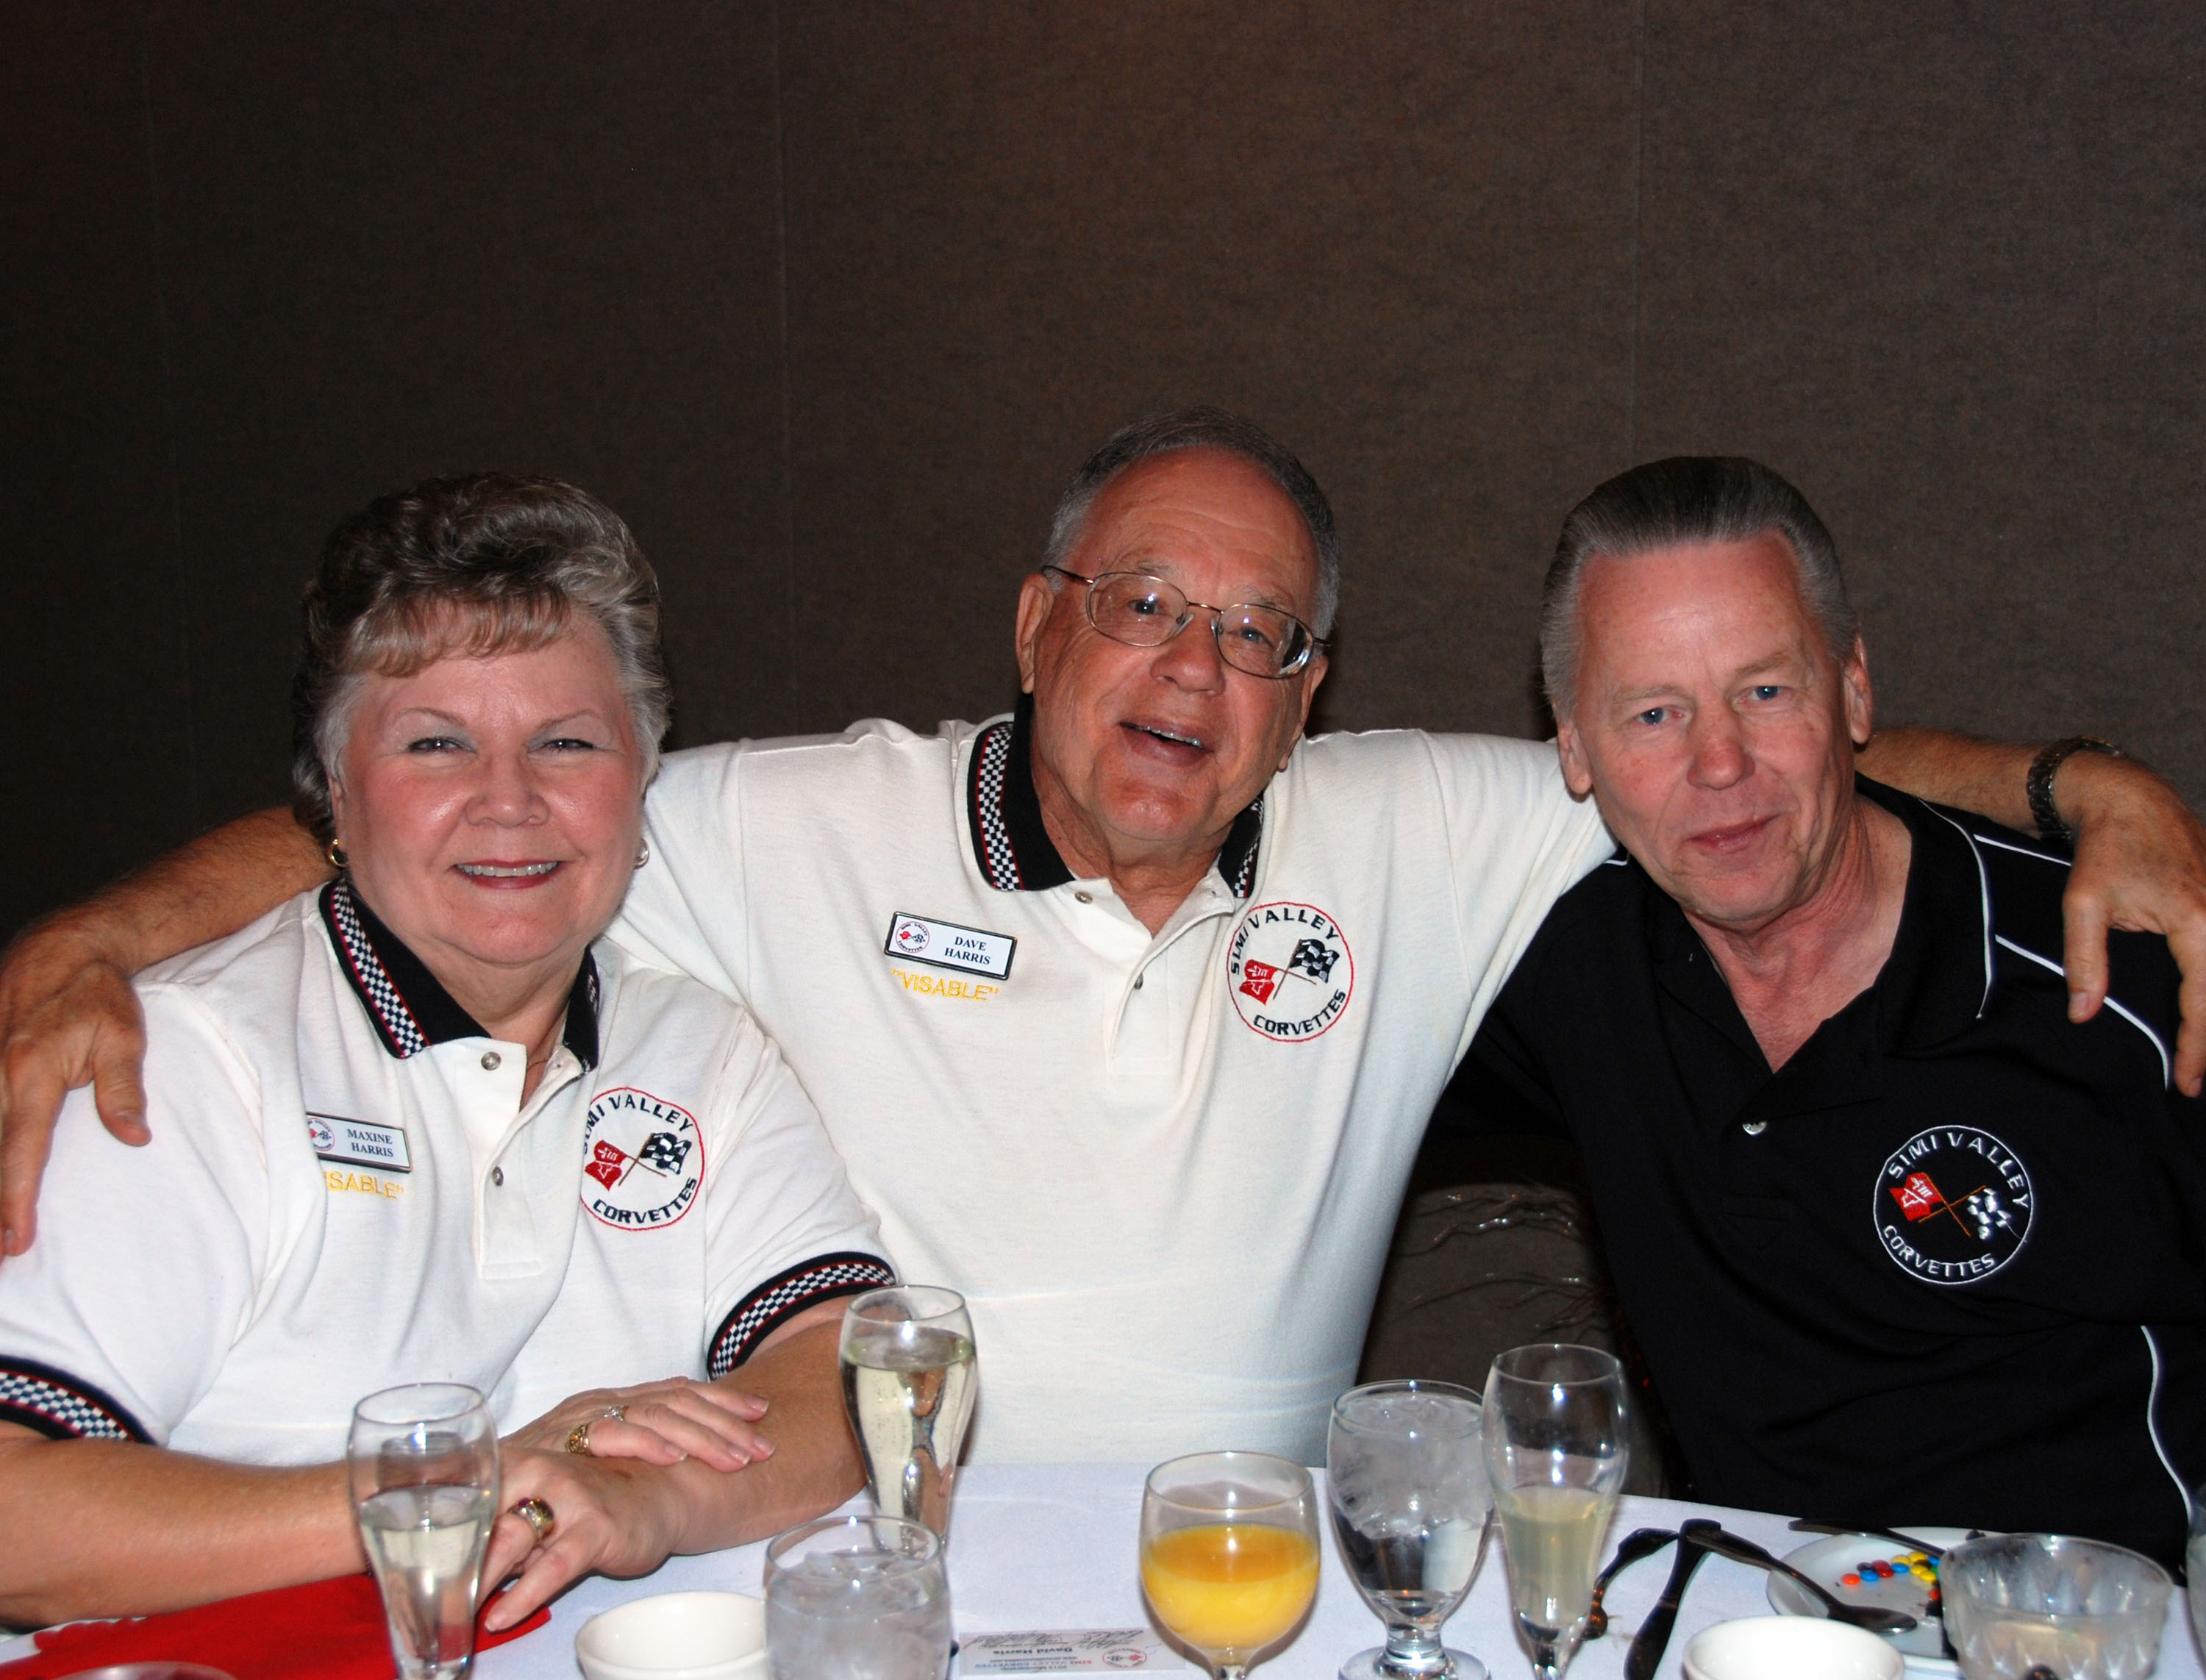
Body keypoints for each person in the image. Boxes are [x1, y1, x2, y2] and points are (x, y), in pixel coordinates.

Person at [4, 413, 2203, 1467]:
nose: (1192, 669)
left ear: (1312, 695)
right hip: (873, 1566)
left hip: (1259, 1593)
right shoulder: (798, 819)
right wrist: (89, 942)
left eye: (1259, 633)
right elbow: (480, 795)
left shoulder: (1420, 824)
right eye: (1144, 603)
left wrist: (2084, 788)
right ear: (1039, 624)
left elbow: (1719, 757)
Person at [0, 476, 893, 1629]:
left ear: (643, 779)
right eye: (436, 745)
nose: (507, 800)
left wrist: (648, 1501)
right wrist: (457, 1493)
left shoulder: (696, 1045)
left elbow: (841, 1367)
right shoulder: (185, 1061)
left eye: (566, 742)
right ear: (334, 792)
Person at [1449, 456, 2206, 1561]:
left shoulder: (2116, 974)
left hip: (2082, 1640)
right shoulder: (1561, 960)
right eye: (1654, 713)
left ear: (1853, 688)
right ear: (1573, 745)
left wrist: (2096, 786)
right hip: (1745, 1631)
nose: (1720, 763)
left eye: (1766, 692)